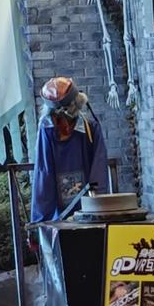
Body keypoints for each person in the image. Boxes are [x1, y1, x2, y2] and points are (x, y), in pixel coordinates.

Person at [30, 75, 110, 222]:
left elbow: (98, 173)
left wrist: (97, 209)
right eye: (55, 117)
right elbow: (44, 176)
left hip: (88, 211)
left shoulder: (90, 129)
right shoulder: (47, 131)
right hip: (59, 216)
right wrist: (40, 223)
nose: (61, 125)